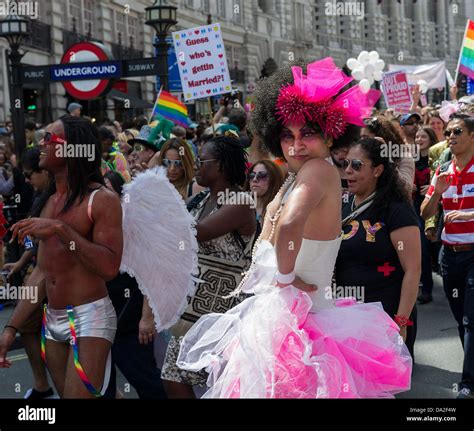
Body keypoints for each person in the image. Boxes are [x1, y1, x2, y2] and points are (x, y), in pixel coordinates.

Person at [176, 58, 412, 398]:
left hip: (299, 323)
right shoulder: (295, 176)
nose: (296, 144)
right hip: (283, 320)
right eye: (287, 135)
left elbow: (288, 225)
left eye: (308, 133)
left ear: (331, 136)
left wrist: (284, 279)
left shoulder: (317, 170)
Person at [0, 115, 123, 399]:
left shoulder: (101, 200)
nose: (40, 143)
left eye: (48, 139)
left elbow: (109, 267)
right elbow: (42, 272)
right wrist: (11, 326)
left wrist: (60, 229)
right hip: (51, 320)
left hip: (90, 319)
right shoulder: (48, 200)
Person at [161, 135, 257, 398]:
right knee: (173, 375)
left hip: (227, 306)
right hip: (196, 306)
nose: (197, 167)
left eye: (203, 161)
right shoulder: (202, 200)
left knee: (224, 380)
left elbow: (196, 232)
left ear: (222, 167)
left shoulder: (240, 202)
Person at [335, 138, 421, 357]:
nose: (348, 171)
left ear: (378, 170)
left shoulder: (397, 209)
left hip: (385, 317)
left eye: (357, 165)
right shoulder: (343, 207)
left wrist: (401, 322)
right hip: (346, 315)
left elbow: (413, 270)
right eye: (346, 164)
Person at [421, 113, 474, 399]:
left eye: (458, 131)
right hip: (449, 255)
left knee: (470, 320)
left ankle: (468, 383)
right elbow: (425, 214)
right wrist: (436, 195)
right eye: (449, 132)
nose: (451, 136)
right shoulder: (443, 170)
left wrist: (468, 213)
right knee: (460, 317)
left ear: (473, 136)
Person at [103, 171, 167, 399]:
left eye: (106, 187)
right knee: (103, 387)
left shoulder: (134, 226)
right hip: (101, 319)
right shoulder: (94, 223)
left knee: (147, 382)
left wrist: (146, 316)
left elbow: (151, 272)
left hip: (130, 319)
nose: (100, 192)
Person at [1, 147, 54, 399]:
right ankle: (42, 387)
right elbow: (35, 242)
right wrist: (21, 262)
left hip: (56, 283)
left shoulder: (55, 198)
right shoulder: (40, 196)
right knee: (29, 327)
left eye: (30, 174)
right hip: (39, 274)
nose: (28, 180)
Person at [414, 127, 438, 304]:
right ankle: (425, 289)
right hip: (415, 206)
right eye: (417, 136)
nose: (419, 139)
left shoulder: (436, 157)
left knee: (432, 246)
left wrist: (430, 187)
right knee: (421, 248)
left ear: (431, 139)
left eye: (423, 136)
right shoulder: (409, 158)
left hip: (434, 206)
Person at [245, 160, 284, 225]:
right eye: (252, 175)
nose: (254, 179)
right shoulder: (238, 206)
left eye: (262, 175)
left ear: (274, 179)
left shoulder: (281, 211)